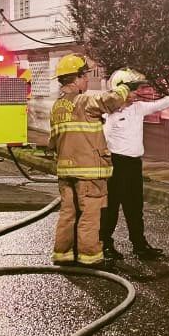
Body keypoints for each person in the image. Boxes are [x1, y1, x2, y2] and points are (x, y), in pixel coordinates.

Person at [100, 68, 169, 260]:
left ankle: (139, 245)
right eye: (133, 89)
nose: (137, 93)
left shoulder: (138, 108)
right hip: (115, 165)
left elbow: (161, 103)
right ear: (119, 90)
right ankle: (105, 244)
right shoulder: (108, 114)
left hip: (134, 165)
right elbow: (101, 139)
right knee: (111, 208)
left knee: (135, 207)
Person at [48, 53, 136, 266]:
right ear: (76, 78)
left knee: (68, 214)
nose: (87, 80)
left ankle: (63, 254)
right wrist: (125, 87)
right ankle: (90, 258)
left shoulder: (57, 107)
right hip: (88, 172)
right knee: (90, 215)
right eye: (85, 76)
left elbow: (52, 142)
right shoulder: (84, 101)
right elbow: (110, 100)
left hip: (65, 171)